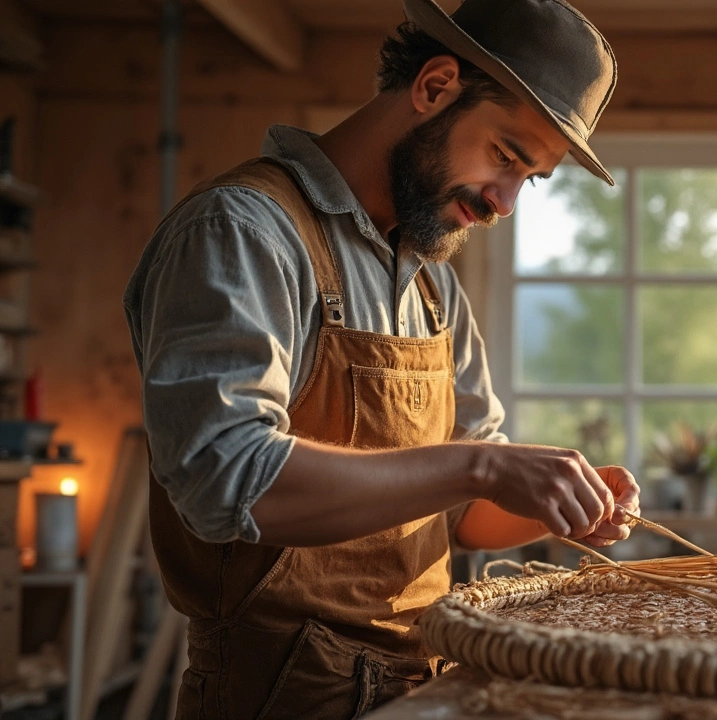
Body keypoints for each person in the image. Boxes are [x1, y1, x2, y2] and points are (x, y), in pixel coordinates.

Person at [123, 0, 640, 717]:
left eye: (531, 179)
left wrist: (560, 507)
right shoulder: (244, 231)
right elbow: (227, 480)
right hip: (276, 695)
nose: (505, 202)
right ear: (434, 87)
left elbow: (463, 517)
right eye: (506, 157)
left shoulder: (434, 288)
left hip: (426, 684)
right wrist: (484, 465)